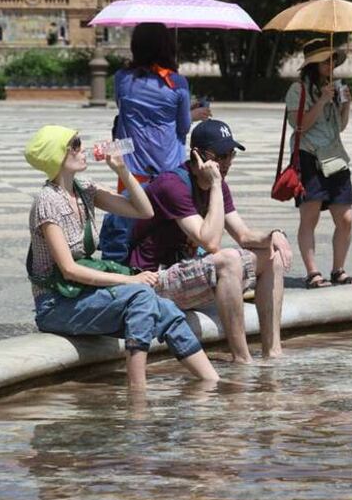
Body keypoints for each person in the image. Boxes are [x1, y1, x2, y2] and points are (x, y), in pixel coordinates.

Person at [24, 125, 219, 390]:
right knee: (141, 296)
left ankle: (212, 382)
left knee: (166, 310)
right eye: (75, 144)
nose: (83, 149)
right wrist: (130, 281)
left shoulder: (83, 190)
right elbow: (69, 270)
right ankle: (137, 392)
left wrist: (122, 170)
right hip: (56, 304)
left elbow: (143, 210)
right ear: (57, 155)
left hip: (82, 294)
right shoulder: (47, 202)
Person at [125, 119, 293, 362]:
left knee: (271, 255)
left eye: (231, 155)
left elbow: (244, 235)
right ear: (198, 155)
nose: (226, 163)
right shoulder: (172, 185)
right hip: (151, 280)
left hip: (183, 274)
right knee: (227, 260)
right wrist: (215, 184)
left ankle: (273, 353)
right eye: (221, 156)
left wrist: (273, 235)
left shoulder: (219, 187)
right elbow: (210, 242)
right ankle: (242, 360)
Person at [285, 38, 352, 289]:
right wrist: (322, 100)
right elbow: (300, 125)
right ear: (313, 64)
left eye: (333, 60)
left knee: (345, 217)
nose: (331, 64)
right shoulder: (298, 90)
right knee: (310, 217)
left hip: (336, 158)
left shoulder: (334, 87)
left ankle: (338, 269)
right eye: (326, 60)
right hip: (309, 156)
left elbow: (341, 127)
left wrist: (345, 105)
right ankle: (313, 272)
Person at [113, 22, 211, 191]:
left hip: (131, 170)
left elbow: (123, 108)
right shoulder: (177, 82)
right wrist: (192, 114)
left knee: (132, 215)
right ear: (167, 46)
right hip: (170, 169)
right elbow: (183, 127)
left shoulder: (122, 78)